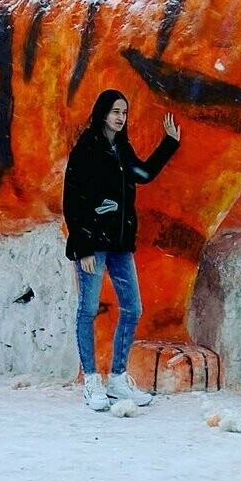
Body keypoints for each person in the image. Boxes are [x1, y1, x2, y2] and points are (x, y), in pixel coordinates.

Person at [63, 88, 181, 411]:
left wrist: (169, 142)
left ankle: (117, 378)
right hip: (92, 243)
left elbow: (143, 174)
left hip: (118, 243)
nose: (120, 117)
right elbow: (73, 200)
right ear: (103, 112)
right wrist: (84, 247)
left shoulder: (122, 149)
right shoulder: (86, 148)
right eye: (116, 111)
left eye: (124, 112)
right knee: (87, 310)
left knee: (133, 307)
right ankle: (91, 380)